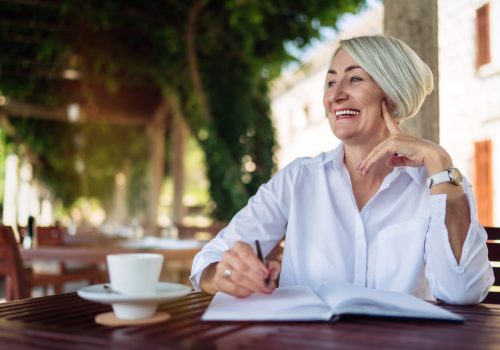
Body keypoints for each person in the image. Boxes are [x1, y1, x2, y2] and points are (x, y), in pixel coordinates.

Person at [190, 35, 494, 304]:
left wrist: (439, 163)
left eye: (355, 79)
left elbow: (462, 292)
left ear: (392, 92)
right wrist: (228, 274)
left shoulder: (441, 184)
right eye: (331, 82)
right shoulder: (299, 179)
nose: (335, 96)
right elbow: (207, 263)